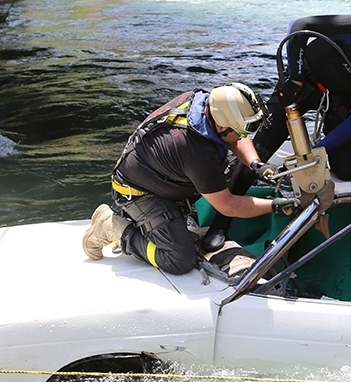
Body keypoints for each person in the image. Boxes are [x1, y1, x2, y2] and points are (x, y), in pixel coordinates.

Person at [202, 15, 351, 251]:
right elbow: (299, 26)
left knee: (348, 170)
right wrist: (294, 79)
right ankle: (221, 222)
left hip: (342, 95)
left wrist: (315, 155)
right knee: (259, 151)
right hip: (306, 79)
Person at [82, 83, 302, 275]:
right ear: (222, 126)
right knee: (179, 259)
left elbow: (236, 136)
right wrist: (275, 206)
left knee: (232, 165)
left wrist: (256, 164)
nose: (247, 136)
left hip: (161, 175)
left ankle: (169, 219)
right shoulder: (197, 151)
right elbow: (228, 206)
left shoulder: (211, 101)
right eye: (243, 130)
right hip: (140, 192)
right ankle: (114, 227)